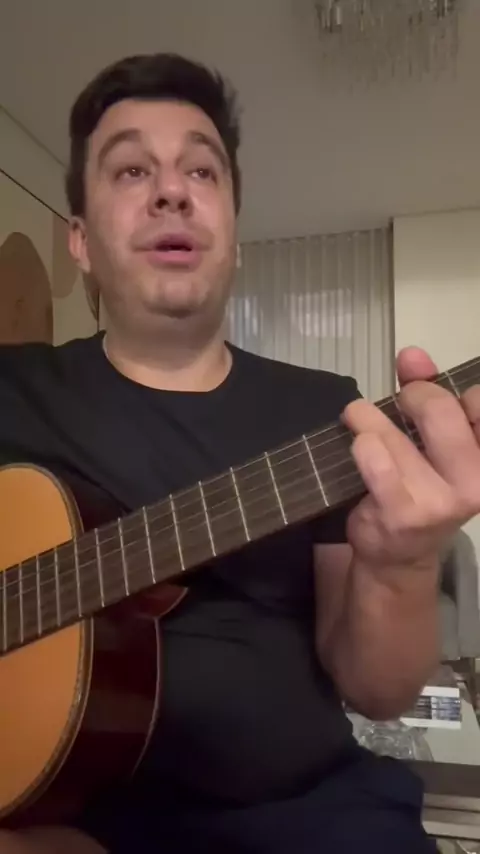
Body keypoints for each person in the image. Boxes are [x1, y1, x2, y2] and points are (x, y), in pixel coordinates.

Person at [0, 53, 479, 854]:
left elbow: (379, 692)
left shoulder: (328, 411)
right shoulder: (13, 390)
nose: (171, 190)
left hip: (307, 819)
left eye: (201, 170)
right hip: (48, 812)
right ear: (78, 241)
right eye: (130, 170)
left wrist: (401, 565)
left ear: (235, 234)